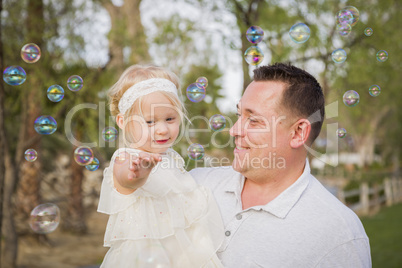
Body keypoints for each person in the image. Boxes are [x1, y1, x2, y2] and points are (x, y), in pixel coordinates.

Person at [190, 63, 372, 267]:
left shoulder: (339, 235)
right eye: (239, 115)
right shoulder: (196, 184)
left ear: (297, 133)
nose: (234, 130)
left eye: (254, 120)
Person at [97, 65, 224, 268]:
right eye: (149, 121)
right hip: (143, 257)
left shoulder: (171, 158)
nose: (163, 129)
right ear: (122, 121)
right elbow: (124, 181)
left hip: (182, 254)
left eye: (170, 118)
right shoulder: (127, 158)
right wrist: (138, 173)